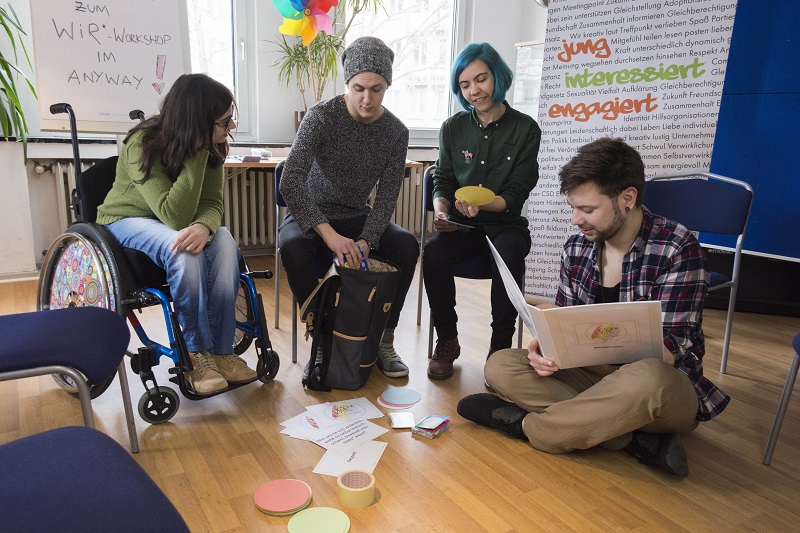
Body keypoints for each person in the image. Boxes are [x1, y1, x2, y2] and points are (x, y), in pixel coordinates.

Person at [457, 137, 730, 477]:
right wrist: (547, 346)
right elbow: (568, 320)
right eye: (573, 208)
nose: (576, 220)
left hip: (659, 386)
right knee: (500, 366)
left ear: (627, 199)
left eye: (587, 210)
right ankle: (628, 439)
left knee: (647, 379)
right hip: (593, 375)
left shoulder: (677, 247)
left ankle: (527, 426)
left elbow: (675, 350)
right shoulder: (578, 246)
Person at [97, 73, 256, 394]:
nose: (231, 128)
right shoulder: (140, 143)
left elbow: (211, 203)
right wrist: (197, 156)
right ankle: (196, 354)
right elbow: (174, 215)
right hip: (126, 220)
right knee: (182, 247)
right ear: (196, 122)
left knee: (224, 242)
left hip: (175, 223)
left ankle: (223, 351)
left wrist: (204, 225)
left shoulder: (212, 145)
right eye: (224, 122)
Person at [278, 36, 419, 378]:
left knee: (406, 244)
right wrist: (329, 236)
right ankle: (323, 339)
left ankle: (384, 339)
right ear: (347, 83)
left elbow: (386, 197)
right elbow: (290, 182)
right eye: (358, 88)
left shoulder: (395, 131)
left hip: (358, 215)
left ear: (387, 85)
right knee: (293, 245)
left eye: (377, 89)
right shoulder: (322, 117)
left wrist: (367, 241)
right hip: (313, 213)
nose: (367, 98)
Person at [423, 42, 541, 380]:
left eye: (481, 79)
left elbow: (515, 195)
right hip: (461, 225)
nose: (474, 91)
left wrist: (481, 204)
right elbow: (442, 179)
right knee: (433, 252)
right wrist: (441, 210)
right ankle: (447, 339)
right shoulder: (452, 128)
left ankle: (500, 348)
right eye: (465, 84)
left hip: (506, 225)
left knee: (507, 254)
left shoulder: (526, 129)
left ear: (497, 77)